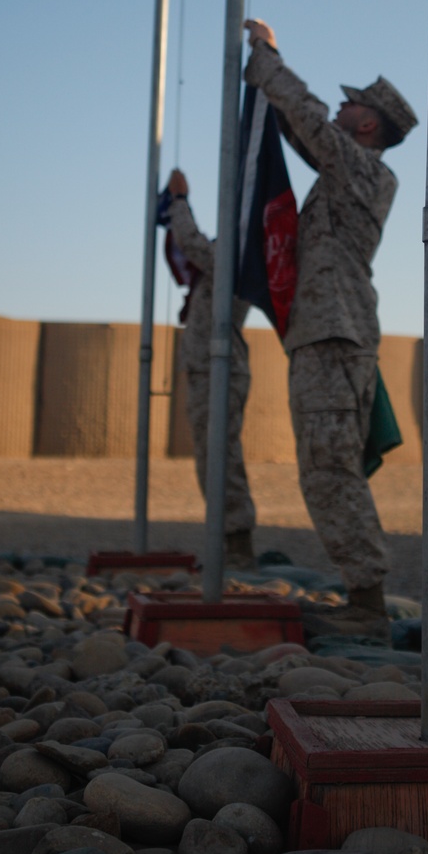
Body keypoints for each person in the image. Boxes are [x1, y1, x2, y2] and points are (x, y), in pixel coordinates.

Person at [242, 18, 417, 636]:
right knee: (325, 464)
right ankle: (363, 593)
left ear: (368, 125)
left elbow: (309, 117)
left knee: (328, 465)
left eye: (354, 102)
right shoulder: (346, 170)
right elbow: (300, 127)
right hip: (326, 333)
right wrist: (266, 82)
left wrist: (266, 60)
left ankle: (368, 602)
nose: (342, 106)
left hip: (333, 334)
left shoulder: (366, 171)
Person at [165, 168, 257, 570]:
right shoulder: (230, 253)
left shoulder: (239, 254)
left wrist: (179, 201)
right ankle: (228, 543)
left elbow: (191, 243)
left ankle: (237, 548)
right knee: (210, 454)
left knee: (220, 455)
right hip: (208, 366)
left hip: (220, 367)